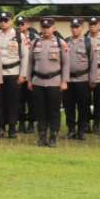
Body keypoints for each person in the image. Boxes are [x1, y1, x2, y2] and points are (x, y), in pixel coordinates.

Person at [27, 17, 69, 147]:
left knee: (54, 111)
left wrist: (64, 81)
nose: (45, 30)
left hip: (54, 81)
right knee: (40, 110)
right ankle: (42, 135)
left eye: (48, 27)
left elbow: (66, 64)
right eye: (43, 27)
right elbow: (30, 63)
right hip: (38, 81)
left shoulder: (60, 43)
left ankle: (53, 136)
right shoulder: (34, 43)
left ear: (53, 28)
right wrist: (29, 79)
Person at [62, 18, 100, 141]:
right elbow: (61, 61)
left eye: (77, 27)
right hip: (69, 80)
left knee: (83, 107)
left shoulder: (89, 42)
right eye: (73, 27)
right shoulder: (66, 42)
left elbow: (94, 62)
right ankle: (71, 130)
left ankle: (81, 130)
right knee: (69, 106)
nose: (75, 29)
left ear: (82, 28)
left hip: (83, 79)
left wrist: (92, 79)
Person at [0, 12, 25, 139]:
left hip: (13, 72)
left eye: (6, 20)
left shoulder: (18, 35)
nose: (3, 22)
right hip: (0, 74)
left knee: (13, 102)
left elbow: (25, 56)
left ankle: (12, 128)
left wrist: (22, 74)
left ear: (11, 21)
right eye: (1, 20)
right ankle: (1, 128)